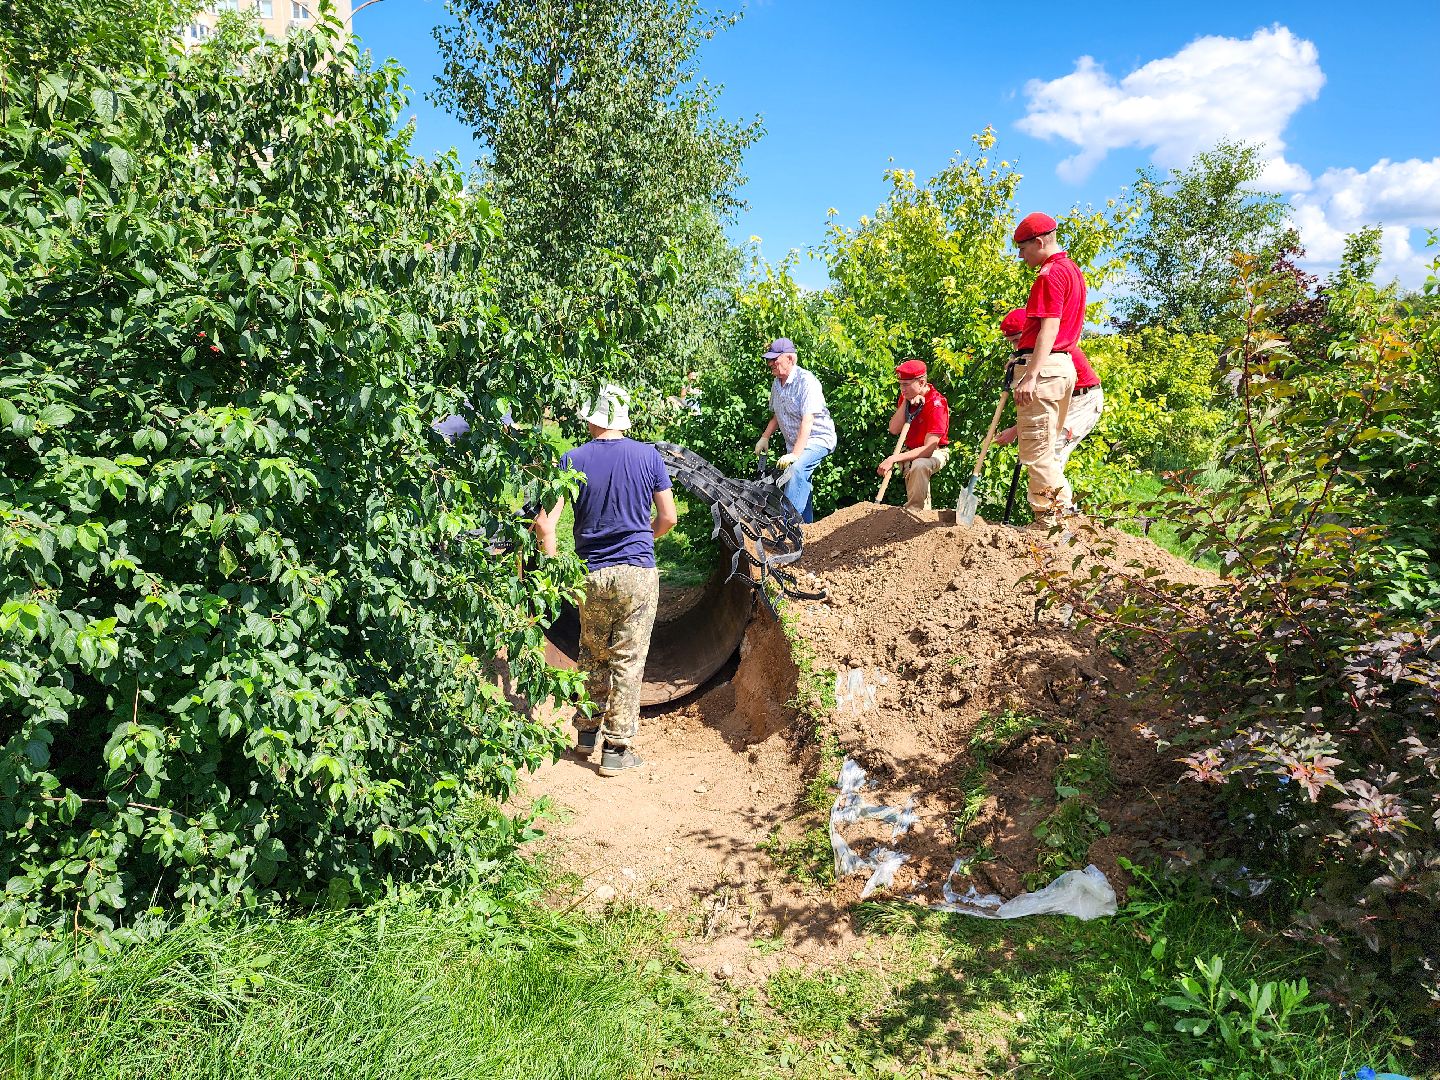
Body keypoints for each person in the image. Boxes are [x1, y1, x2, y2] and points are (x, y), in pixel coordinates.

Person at [534, 384, 678, 776]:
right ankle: (616, 750)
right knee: (628, 660)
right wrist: (643, 536)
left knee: (591, 653)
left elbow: (546, 525)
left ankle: (584, 736)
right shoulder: (648, 456)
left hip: (590, 574)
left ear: (590, 418)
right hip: (636, 572)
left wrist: (551, 573)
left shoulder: (571, 459)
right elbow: (668, 518)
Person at [1008, 212, 1084, 516]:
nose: (1021, 256)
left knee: (1036, 453)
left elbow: (1049, 327)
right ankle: (1065, 515)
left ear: (1039, 241)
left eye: (1023, 248)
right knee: (1048, 449)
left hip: (1046, 369)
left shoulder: (1049, 274)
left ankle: (1047, 523)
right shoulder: (1072, 271)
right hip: (1062, 368)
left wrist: (1030, 376)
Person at [994, 308, 1104, 466]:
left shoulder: (1051, 350)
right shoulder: (1030, 353)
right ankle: (1044, 491)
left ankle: (1052, 492)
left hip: (1082, 400)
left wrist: (1015, 431)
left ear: (1030, 331)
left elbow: (1045, 396)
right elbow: (1040, 407)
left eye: (1017, 340)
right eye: (1012, 342)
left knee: (1049, 456)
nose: (1015, 347)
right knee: (1041, 453)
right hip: (1063, 400)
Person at [754, 338, 837, 523]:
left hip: (818, 439)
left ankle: (786, 526)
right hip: (796, 445)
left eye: (775, 359)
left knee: (796, 471)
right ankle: (807, 529)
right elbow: (777, 415)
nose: (770, 364)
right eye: (769, 360)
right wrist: (764, 437)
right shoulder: (777, 383)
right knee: (801, 481)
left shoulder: (807, 382)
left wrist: (795, 455)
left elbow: (808, 420)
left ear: (790, 359)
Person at [876, 358, 950, 510]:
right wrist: (906, 402)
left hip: (935, 452)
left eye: (906, 385)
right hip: (910, 452)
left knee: (920, 465)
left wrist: (894, 458)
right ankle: (922, 515)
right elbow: (894, 429)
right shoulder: (906, 397)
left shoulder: (937, 404)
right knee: (917, 476)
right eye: (901, 385)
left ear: (922, 382)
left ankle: (914, 512)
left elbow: (929, 449)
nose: (902, 389)